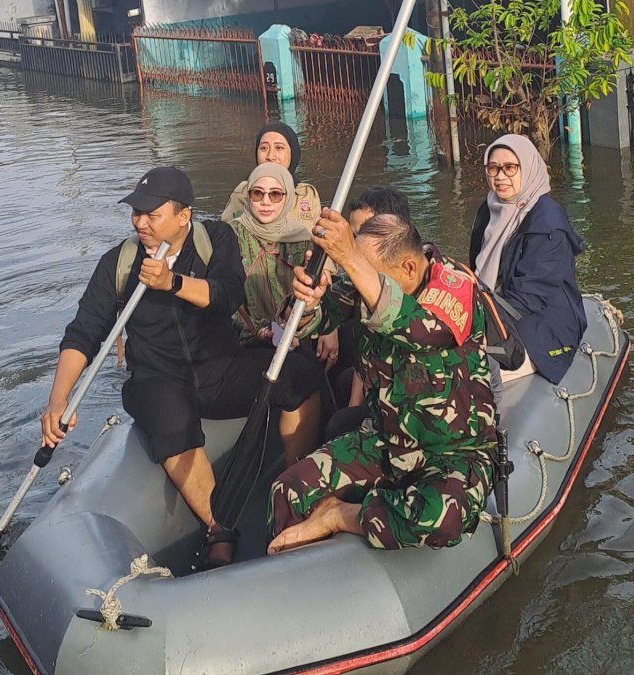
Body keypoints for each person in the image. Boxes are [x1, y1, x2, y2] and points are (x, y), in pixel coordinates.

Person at [42, 166, 322, 569]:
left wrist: (172, 282)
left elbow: (228, 294)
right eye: (136, 213)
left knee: (299, 376)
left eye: (152, 215)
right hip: (158, 378)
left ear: (183, 216)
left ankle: (295, 488)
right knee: (171, 420)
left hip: (218, 367)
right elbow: (83, 334)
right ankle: (219, 528)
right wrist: (58, 400)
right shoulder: (118, 263)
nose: (140, 223)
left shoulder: (216, 239)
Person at [267, 210, 497, 553]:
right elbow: (314, 318)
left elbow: (421, 331)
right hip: (385, 442)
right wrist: (307, 303)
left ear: (409, 269)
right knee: (287, 490)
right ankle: (301, 570)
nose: (358, 281)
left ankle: (339, 516)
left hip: (452, 453)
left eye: (363, 270)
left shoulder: (454, 287)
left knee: (437, 518)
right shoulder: (365, 281)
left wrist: (350, 256)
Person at [469, 134, 587, 386]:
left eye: (510, 168)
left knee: (467, 373)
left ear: (528, 167)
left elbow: (531, 297)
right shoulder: (489, 210)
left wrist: (475, 324)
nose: (500, 176)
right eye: (493, 168)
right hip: (492, 310)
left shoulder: (547, 223)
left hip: (542, 324)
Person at [221, 121, 339, 369]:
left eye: (279, 148)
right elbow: (224, 251)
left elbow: (322, 267)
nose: (270, 155)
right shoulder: (242, 197)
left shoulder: (306, 197)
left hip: (299, 308)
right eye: (264, 148)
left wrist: (329, 326)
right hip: (253, 316)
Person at [327, 186, 413, 435]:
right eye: (352, 235)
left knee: (338, 424)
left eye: (362, 235)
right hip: (378, 380)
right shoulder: (359, 284)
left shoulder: (421, 284)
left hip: (412, 406)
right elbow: (365, 352)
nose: (353, 246)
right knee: (340, 385)